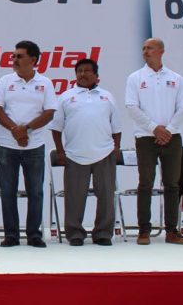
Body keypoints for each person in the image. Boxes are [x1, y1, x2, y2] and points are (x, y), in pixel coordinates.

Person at [0, 40, 57, 248]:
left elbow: (49, 113)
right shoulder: (5, 80)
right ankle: (11, 235)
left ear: (33, 60)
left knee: (35, 191)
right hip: (7, 145)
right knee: (8, 191)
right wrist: (15, 131)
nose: (15, 60)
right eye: (14, 56)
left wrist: (26, 130)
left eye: (19, 56)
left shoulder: (45, 83)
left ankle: (34, 234)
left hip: (34, 145)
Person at [124, 38, 183, 245]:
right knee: (146, 183)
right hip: (145, 137)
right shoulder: (135, 77)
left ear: (161, 50)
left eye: (150, 48)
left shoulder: (176, 78)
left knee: (172, 184)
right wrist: (154, 128)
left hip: (172, 137)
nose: (145, 51)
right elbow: (132, 106)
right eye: (143, 48)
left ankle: (172, 231)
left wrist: (168, 130)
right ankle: (144, 230)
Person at [50, 59, 121, 246]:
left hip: (104, 153)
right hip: (74, 154)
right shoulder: (65, 96)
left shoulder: (107, 96)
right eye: (79, 71)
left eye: (87, 71)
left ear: (96, 76)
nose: (82, 74)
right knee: (74, 197)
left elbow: (117, 127)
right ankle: (75, 233)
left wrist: (116, 147)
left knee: (106, 196)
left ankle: (103, 233)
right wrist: (60, 151)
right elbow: (56, 128)